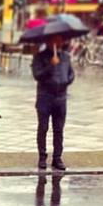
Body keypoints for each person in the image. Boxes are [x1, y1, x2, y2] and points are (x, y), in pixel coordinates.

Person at [31, 34, 75, 171]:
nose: (58, 42)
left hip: (60, 98)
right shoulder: (40, 57)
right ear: (49, 41)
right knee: (43, 128)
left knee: (59, 130)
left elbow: (71, 74)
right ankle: (42, 157)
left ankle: (57, 158)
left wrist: (66, 82)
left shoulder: (66, 57)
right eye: (55, 39)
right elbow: (37, 75)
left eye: (60, 39)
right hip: (45, 97)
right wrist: (50, 65)